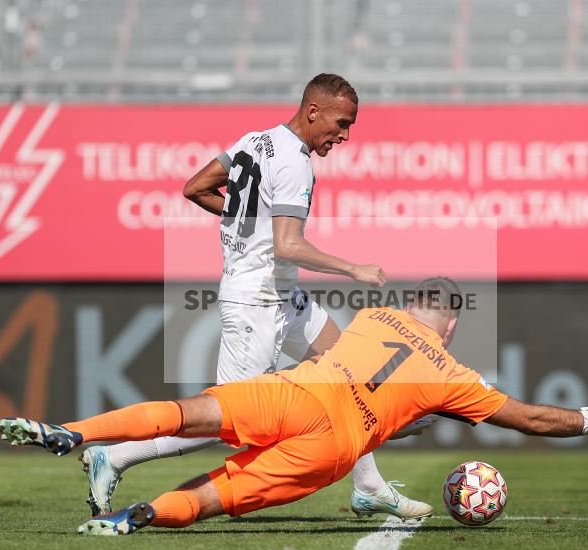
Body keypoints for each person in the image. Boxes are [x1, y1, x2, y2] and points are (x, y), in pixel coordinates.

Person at [0, 277, 588, 536]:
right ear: (449, 327)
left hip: (299, 391)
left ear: (408, 309)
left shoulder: (374, 315)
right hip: (335, 447)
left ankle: (73, 432)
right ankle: (131, 519)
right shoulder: (451, 373)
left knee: (187, 414)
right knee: (213, 495)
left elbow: (349, 363)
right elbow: (531, 418)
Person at [79, 73, 433, 521]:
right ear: (312, 111)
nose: (344, 136)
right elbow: (287, 245)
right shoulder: (295, 163)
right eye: (341, 124)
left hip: (284, 296)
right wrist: (352, 268)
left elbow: (195, 187)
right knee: (228, 420)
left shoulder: (254, 141)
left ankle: (368, 486)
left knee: (346, 370)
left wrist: (247, 220)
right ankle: (113, 457)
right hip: (255, 301)